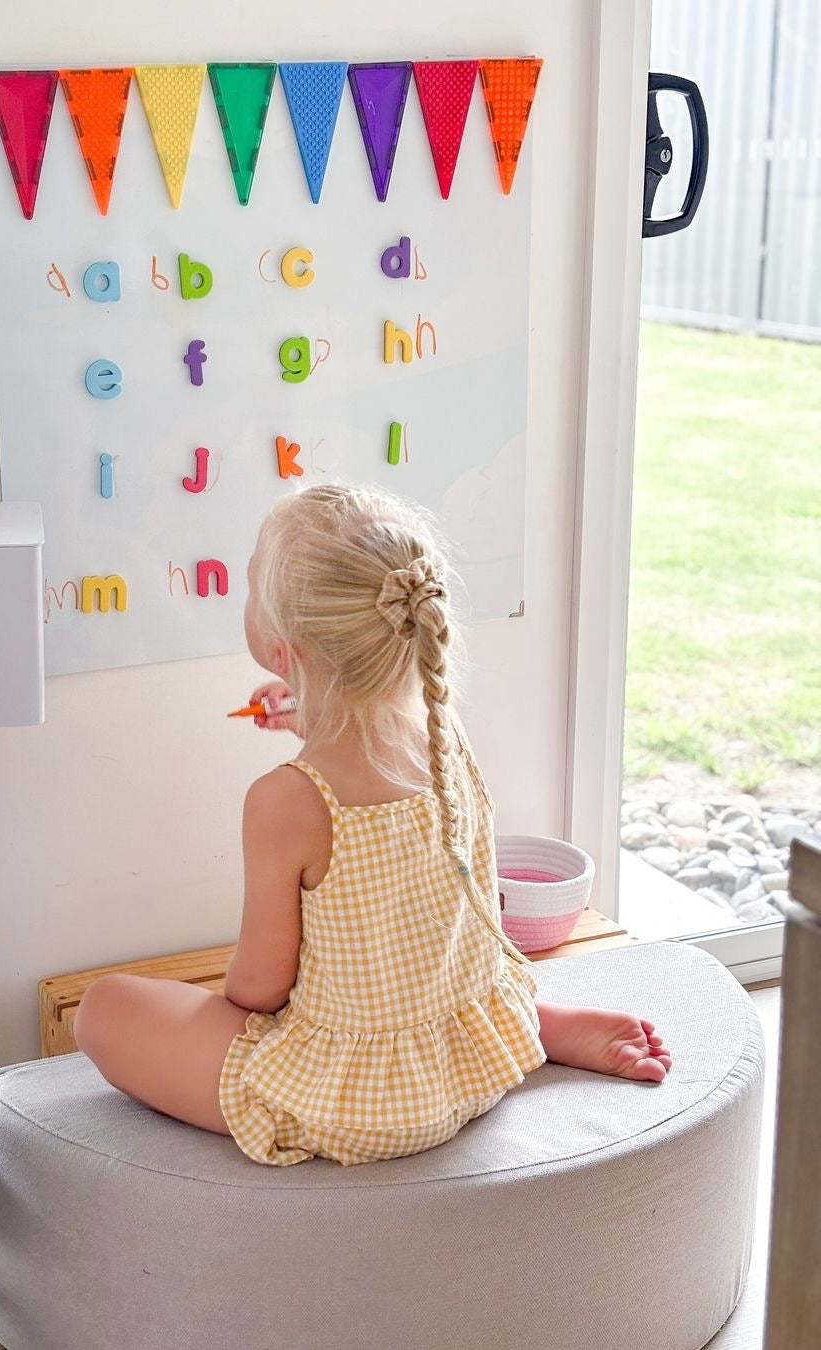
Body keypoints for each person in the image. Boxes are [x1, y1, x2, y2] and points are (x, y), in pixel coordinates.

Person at [75, 484, 671, 1165]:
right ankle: (534, 1027)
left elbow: (259, 989)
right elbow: (370, 770)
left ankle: (532, 1027)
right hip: (474, 1054)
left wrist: (223, 1008)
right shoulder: (444, 736)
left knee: (106, 1009)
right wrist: (311, 714)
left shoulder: (286, 802)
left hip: (359, 1102)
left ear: (281, 650)